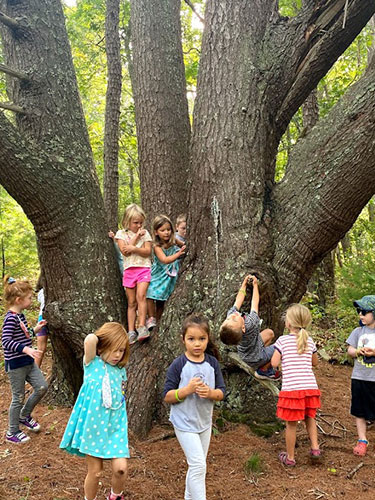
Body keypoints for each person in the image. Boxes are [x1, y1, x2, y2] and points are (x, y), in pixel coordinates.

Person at [60, 322, 130, 500]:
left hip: (115, 425)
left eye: (121, 350)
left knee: (121, 469)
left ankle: (115, 496)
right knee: (96, 472)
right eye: (114, 349)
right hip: (94, 426)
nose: (117, 355)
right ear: (101, 347)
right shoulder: (92, 364)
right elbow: (90, 340)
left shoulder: (120, 370)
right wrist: (104, 338)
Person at [163, 313, 225, 500]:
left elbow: (221, 392)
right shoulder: (179, 364)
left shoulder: (212, 363)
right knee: (199, 465)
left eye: (201, 339)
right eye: (192, 339)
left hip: (204, 422)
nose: (197, 344)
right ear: (183, 340)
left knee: (197, 465)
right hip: (184, 422)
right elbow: (167, 396)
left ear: (207, 339)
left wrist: (210, 393)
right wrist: (187, 390)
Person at [271, 303, 321, 466]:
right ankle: (315, 448)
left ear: (288, 323)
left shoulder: (282, 341)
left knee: (291, 424)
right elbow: (315, 363)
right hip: (309, 387)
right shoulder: (309, 340)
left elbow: (274, 362)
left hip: (292, 389)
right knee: (310, 418)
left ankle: (290, 457)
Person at [2, 276, 48, 444]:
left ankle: (24, 415)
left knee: (42, 387)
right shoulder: (10, 319)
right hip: (16, 365)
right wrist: (26, 349)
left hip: (28, 362)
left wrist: (36, 329)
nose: (31, 300)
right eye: (29, 298)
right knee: (18, 397)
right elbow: (6, 341)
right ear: (19, 300)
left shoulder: (20, 316)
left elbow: (25, 332)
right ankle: (12, 432)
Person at [219, 274, 280, 380]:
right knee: (282, 347)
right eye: (233, 319)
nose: (232, 316)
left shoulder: (232, 317)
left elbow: (238, 300)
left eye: (228, 319)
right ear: (243, 328)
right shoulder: (250, 323)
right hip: (255, 357)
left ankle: (263, 356)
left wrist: (244, 285)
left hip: (246, 354)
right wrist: (255, 285)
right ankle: (264, 370)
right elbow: (254, 302)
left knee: (269, 333)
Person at [115, 204, 152, 344]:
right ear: (127, 222)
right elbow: (124, 250)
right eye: (135, 223)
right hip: (129, 270)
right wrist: (136, 238)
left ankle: (142, 326)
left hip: (143, 268)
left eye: (141, 223)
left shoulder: (146, 233)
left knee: (141, 296)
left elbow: (147, 251)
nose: (139, 225)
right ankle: (131, 330)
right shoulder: (121, 234)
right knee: (131, 302)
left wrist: (134, 249)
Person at [346, 295, 375, 457]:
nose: (361, 315)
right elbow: (350, 350)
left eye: (365, 312)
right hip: (359, 377)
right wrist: (357, 351)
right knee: (359, 410)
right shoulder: (358, 332)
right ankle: (362, 439)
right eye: (359, 312)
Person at [146, 215, 186, 328]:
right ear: (156, 232)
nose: (166, 233)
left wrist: (182, 246)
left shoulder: (174, 241)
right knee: (150, 293)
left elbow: (184, 246)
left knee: (161, 300)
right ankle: (151, 318)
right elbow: (164, 260)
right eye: (162, 230)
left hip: (169, 275)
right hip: (158, 273)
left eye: (168, 229)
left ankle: (159, 320)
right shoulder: (157, 246)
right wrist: (178, 254)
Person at [35, 272, 49, 368]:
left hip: (41, 318)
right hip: (45, 318)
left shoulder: (40, 293)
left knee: (41, 348)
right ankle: (35, 372)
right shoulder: (47, 291)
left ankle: (35, 370)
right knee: (41, 348)